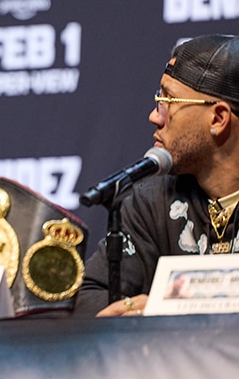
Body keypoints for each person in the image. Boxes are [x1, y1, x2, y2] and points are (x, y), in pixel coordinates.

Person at [75, 34, 239, 316]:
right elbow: (90, 297)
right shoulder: (152, 200)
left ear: (218, 118)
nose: (155, 116)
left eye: (168, 100)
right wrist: (134, 309)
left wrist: (168, 307)